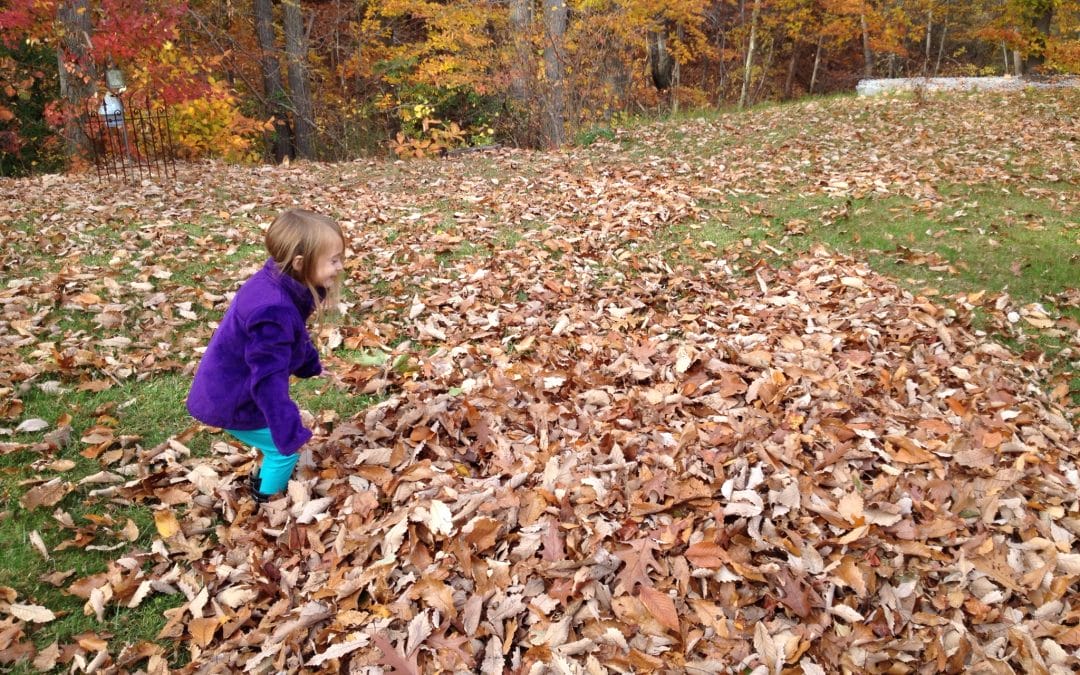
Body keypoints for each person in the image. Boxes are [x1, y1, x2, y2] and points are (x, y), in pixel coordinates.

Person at [187, 209, 346, 503]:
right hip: (234, 397)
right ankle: (268, 503)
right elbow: (267, 379)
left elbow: (293, 336)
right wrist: (286, 428)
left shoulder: (279, 282)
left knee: (275, 444)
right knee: (282, 450)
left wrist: (310, 365)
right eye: (333, 260)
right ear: (300, 263)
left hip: (230, 385)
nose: (340, 267)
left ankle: (259, 481)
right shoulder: (274, 308)